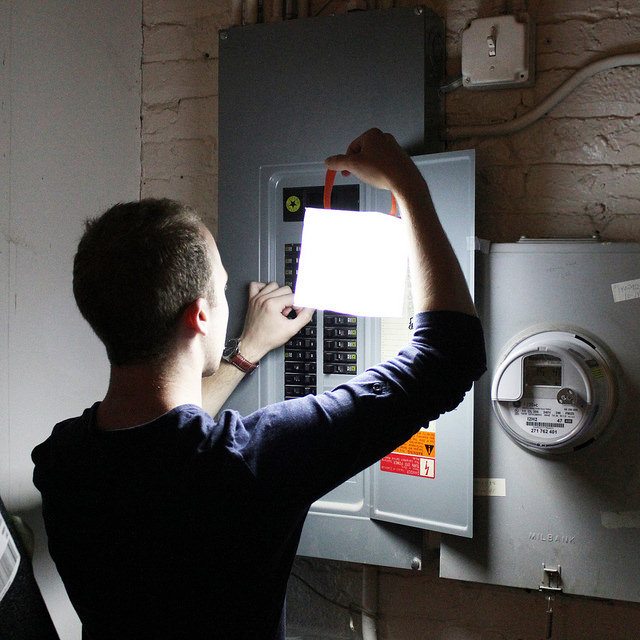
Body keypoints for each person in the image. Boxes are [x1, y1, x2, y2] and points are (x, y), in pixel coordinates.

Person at [32, 128, 485, 639]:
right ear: (201, 316)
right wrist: (407, 182)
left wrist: (246, 354)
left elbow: (159, 442)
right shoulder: (250, 462)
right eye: (222, 289)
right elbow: (448, 356)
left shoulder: (60, 461)